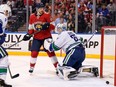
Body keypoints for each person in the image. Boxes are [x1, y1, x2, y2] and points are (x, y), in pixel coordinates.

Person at [23, 3, 58, 73]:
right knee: (34, 53)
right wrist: (28, 34)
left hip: (46, 37)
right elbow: (31, 28)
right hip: (37, 37)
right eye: (40, 8)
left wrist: (48, 26)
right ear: (37, 9)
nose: (42, 9)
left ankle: (57, 67)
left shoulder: (47, 15)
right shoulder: (32, 16)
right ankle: (31, 67)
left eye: (42, 8)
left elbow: (53, 26)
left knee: (50, 52)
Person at [0, 4, 12, 87]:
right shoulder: (2, 16)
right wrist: (1, 35)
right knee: (4, 58)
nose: (8, 14)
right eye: (7, 12)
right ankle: (1, 80)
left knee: (3, 57)